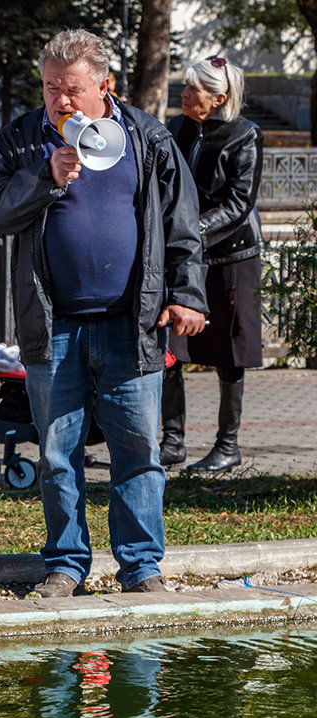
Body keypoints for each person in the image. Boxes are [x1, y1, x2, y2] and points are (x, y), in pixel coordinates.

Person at [0, 30, 207, 597]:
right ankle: (67, 564)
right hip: (54, 327)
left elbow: (183, 225)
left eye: (72, 88)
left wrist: (188, 294)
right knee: (57, 453)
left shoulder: (149, 139)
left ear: (105, 85)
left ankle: (141, 566)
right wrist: (44, 178)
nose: (61, 101)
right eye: (51, 87)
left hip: (134, 324)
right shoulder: (23, 139)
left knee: (138, 452)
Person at [161, 56, 264, 474]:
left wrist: (191, 231)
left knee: (229, 353)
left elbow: (239, 204)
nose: (183, 94)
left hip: (232, 255)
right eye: (184, 86)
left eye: (193, 89)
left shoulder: (245, 135)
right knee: (170, 347)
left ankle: (228, 444)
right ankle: (172, 441)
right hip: (187, 255)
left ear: (219, 98)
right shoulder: (177, 129)